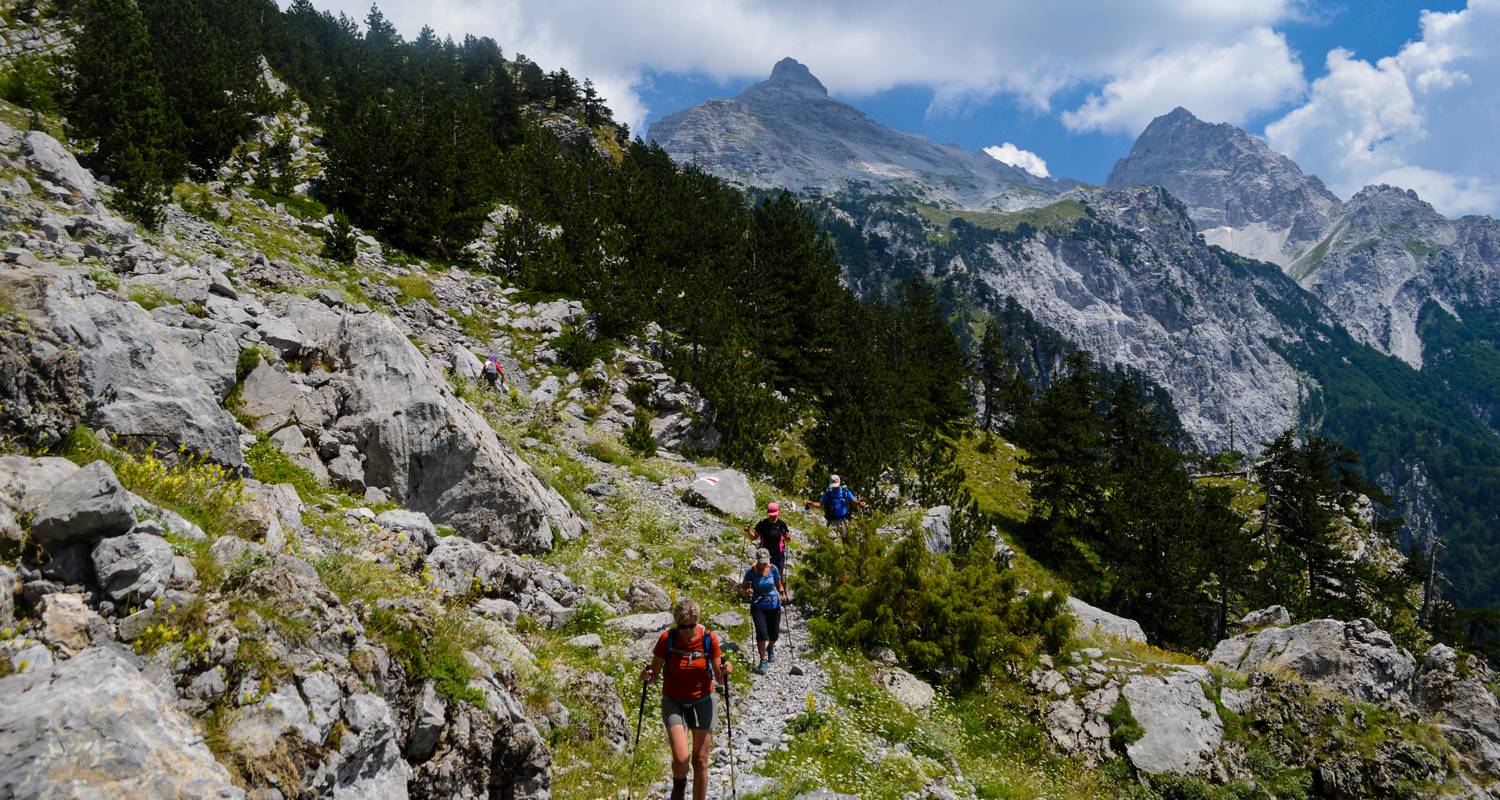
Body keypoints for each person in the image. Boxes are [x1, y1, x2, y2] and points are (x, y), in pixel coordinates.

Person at [641, 599, 731, 800]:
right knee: (681, 758)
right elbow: (654, 675)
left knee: (700, 760)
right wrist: (647, 675)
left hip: (703, 700)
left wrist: (726, 671)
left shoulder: (709, 638)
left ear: (697, 622)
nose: (688, 631)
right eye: (683, 627)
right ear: (676, 624)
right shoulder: (667, 639)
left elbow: (719, 677)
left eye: (692, 625)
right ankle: (679, 785)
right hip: (674, 701)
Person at [740, 547, 786, 673]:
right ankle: (763, 660)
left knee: (774, 634)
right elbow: (742, 587)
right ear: (757, 560)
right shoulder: (751, 571)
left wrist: (782, 593)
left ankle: (770, 647)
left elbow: (779, 584)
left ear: (769, 558)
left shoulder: (773, 569)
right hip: (758, 605)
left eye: (765, 561)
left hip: (774, 605)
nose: (763, 563)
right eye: (761, 561)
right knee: (761, 633)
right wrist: (746, 591)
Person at [744, 502, 790, 579]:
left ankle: (781, 590)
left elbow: (787, 540)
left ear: (778, 512)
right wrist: (748, 530)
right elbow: (754, 537)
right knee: (764, 575)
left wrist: (788, 537)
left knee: (779, 576)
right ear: (768, 513)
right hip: (765, 554)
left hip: (778, 554)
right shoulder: (763, 524)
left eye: (775, 515)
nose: (773, 517)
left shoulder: (781, 524)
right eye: (771, 515)